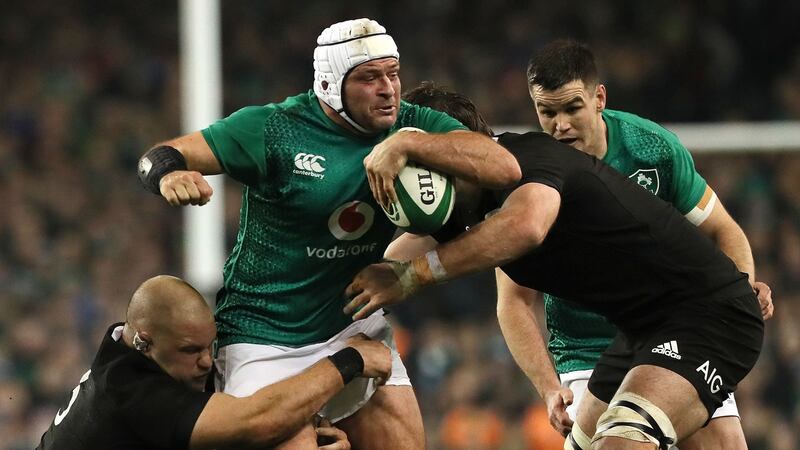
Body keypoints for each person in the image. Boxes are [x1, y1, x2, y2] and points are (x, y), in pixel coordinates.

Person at [135, 18, 520, 449]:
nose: (388, 89)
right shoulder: (275, 128)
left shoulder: (412, 124)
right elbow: (160, 156)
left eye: (393, 74)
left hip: (353, 327)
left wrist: (407, 145)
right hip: (264, 339)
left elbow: (504, 167)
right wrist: (170, 176)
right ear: (330, 84)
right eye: (369, 78)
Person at [344, 85, 764, 449]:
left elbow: (526, 226)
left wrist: (413, 277)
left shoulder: (530, 159)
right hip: (643, 330)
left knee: (624, 440)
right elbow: (384, 267)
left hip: (707, 313)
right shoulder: (463, 209)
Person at [505, 39, 772, 449]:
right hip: (587, 349)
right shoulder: (527, 177)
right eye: (548, 112)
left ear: (599, 98)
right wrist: (547, 386)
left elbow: (724, 230)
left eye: (572, 108)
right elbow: (513, 301)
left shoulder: (651, 149)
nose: (560, 125)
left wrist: (740, 289)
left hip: (675, 324)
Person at [37, 275, 392, 449]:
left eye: (209, 346)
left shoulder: (135, 346)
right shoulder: (130, 393)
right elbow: (257, 420)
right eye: (191, 350)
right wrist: (348, 361)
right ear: (145, 341)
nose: (207, 361)